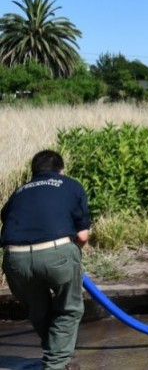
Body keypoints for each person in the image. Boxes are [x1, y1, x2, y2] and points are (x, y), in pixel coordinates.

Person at [1, 150, 91, 370]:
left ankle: (59, 357)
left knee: (39, 310)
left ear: (33, 172)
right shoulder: (71, 185)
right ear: (61, 170)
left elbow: (8, 220)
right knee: (69, 309)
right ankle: (56, 365)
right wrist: (70, 257)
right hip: (56, 253)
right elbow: (82, 236)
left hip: (14, 258)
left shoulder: (19, 191)